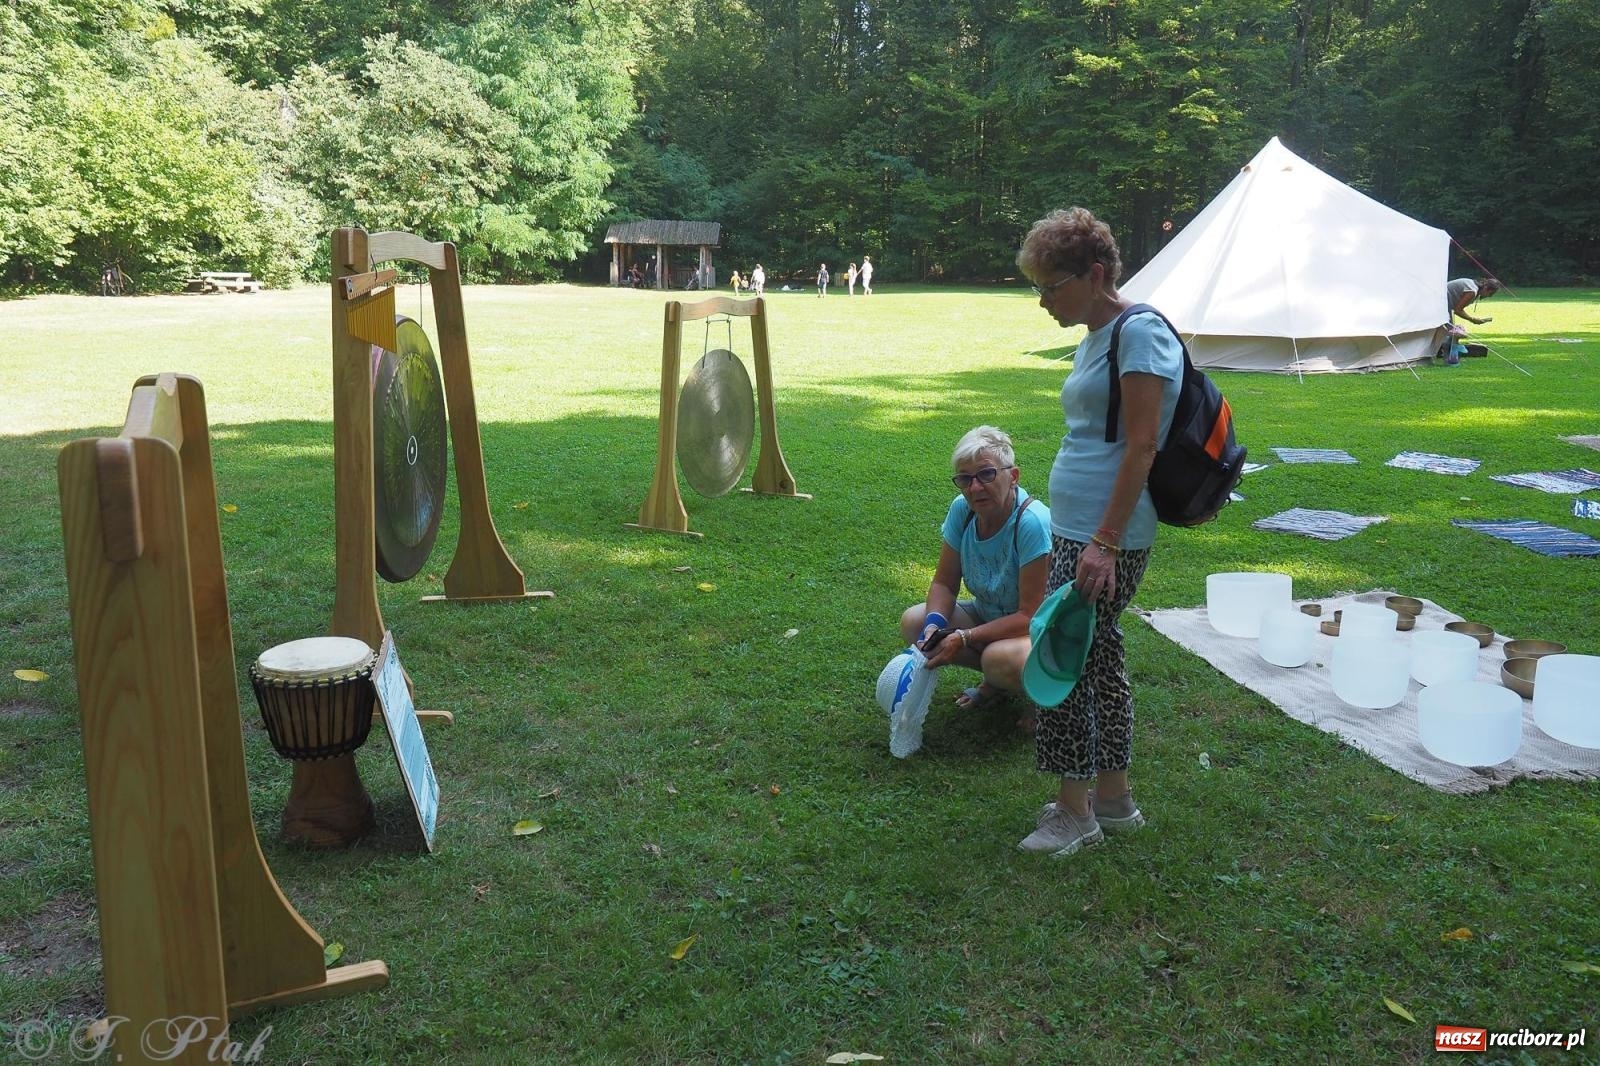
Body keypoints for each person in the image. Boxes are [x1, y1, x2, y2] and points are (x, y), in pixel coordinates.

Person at [1012, 207, 1184, 858]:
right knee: (1100, 657)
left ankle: (1072, 811)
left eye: (1051, 287)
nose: (1043, 302)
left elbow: (1142, 445)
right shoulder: (1097, 334)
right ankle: (1113, 799)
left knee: (1061, 657)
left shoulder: (1138, 334)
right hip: (1082, 529)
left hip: (1105, 536)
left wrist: (1105, 541)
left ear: (1097, 274)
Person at [900, 426, 1051, 730]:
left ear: (1014, 476)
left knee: (998, 660)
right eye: (965, 478)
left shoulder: (1032, 522)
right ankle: (998, 684)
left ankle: (1046, 697)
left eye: (986, 474)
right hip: (991, 615)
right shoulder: (963, 511)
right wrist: (934, 627)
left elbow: (1030, 615)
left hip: (1042, 632)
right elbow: (944, 582)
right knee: (915, 621)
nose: (975, 487)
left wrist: (965, 637)